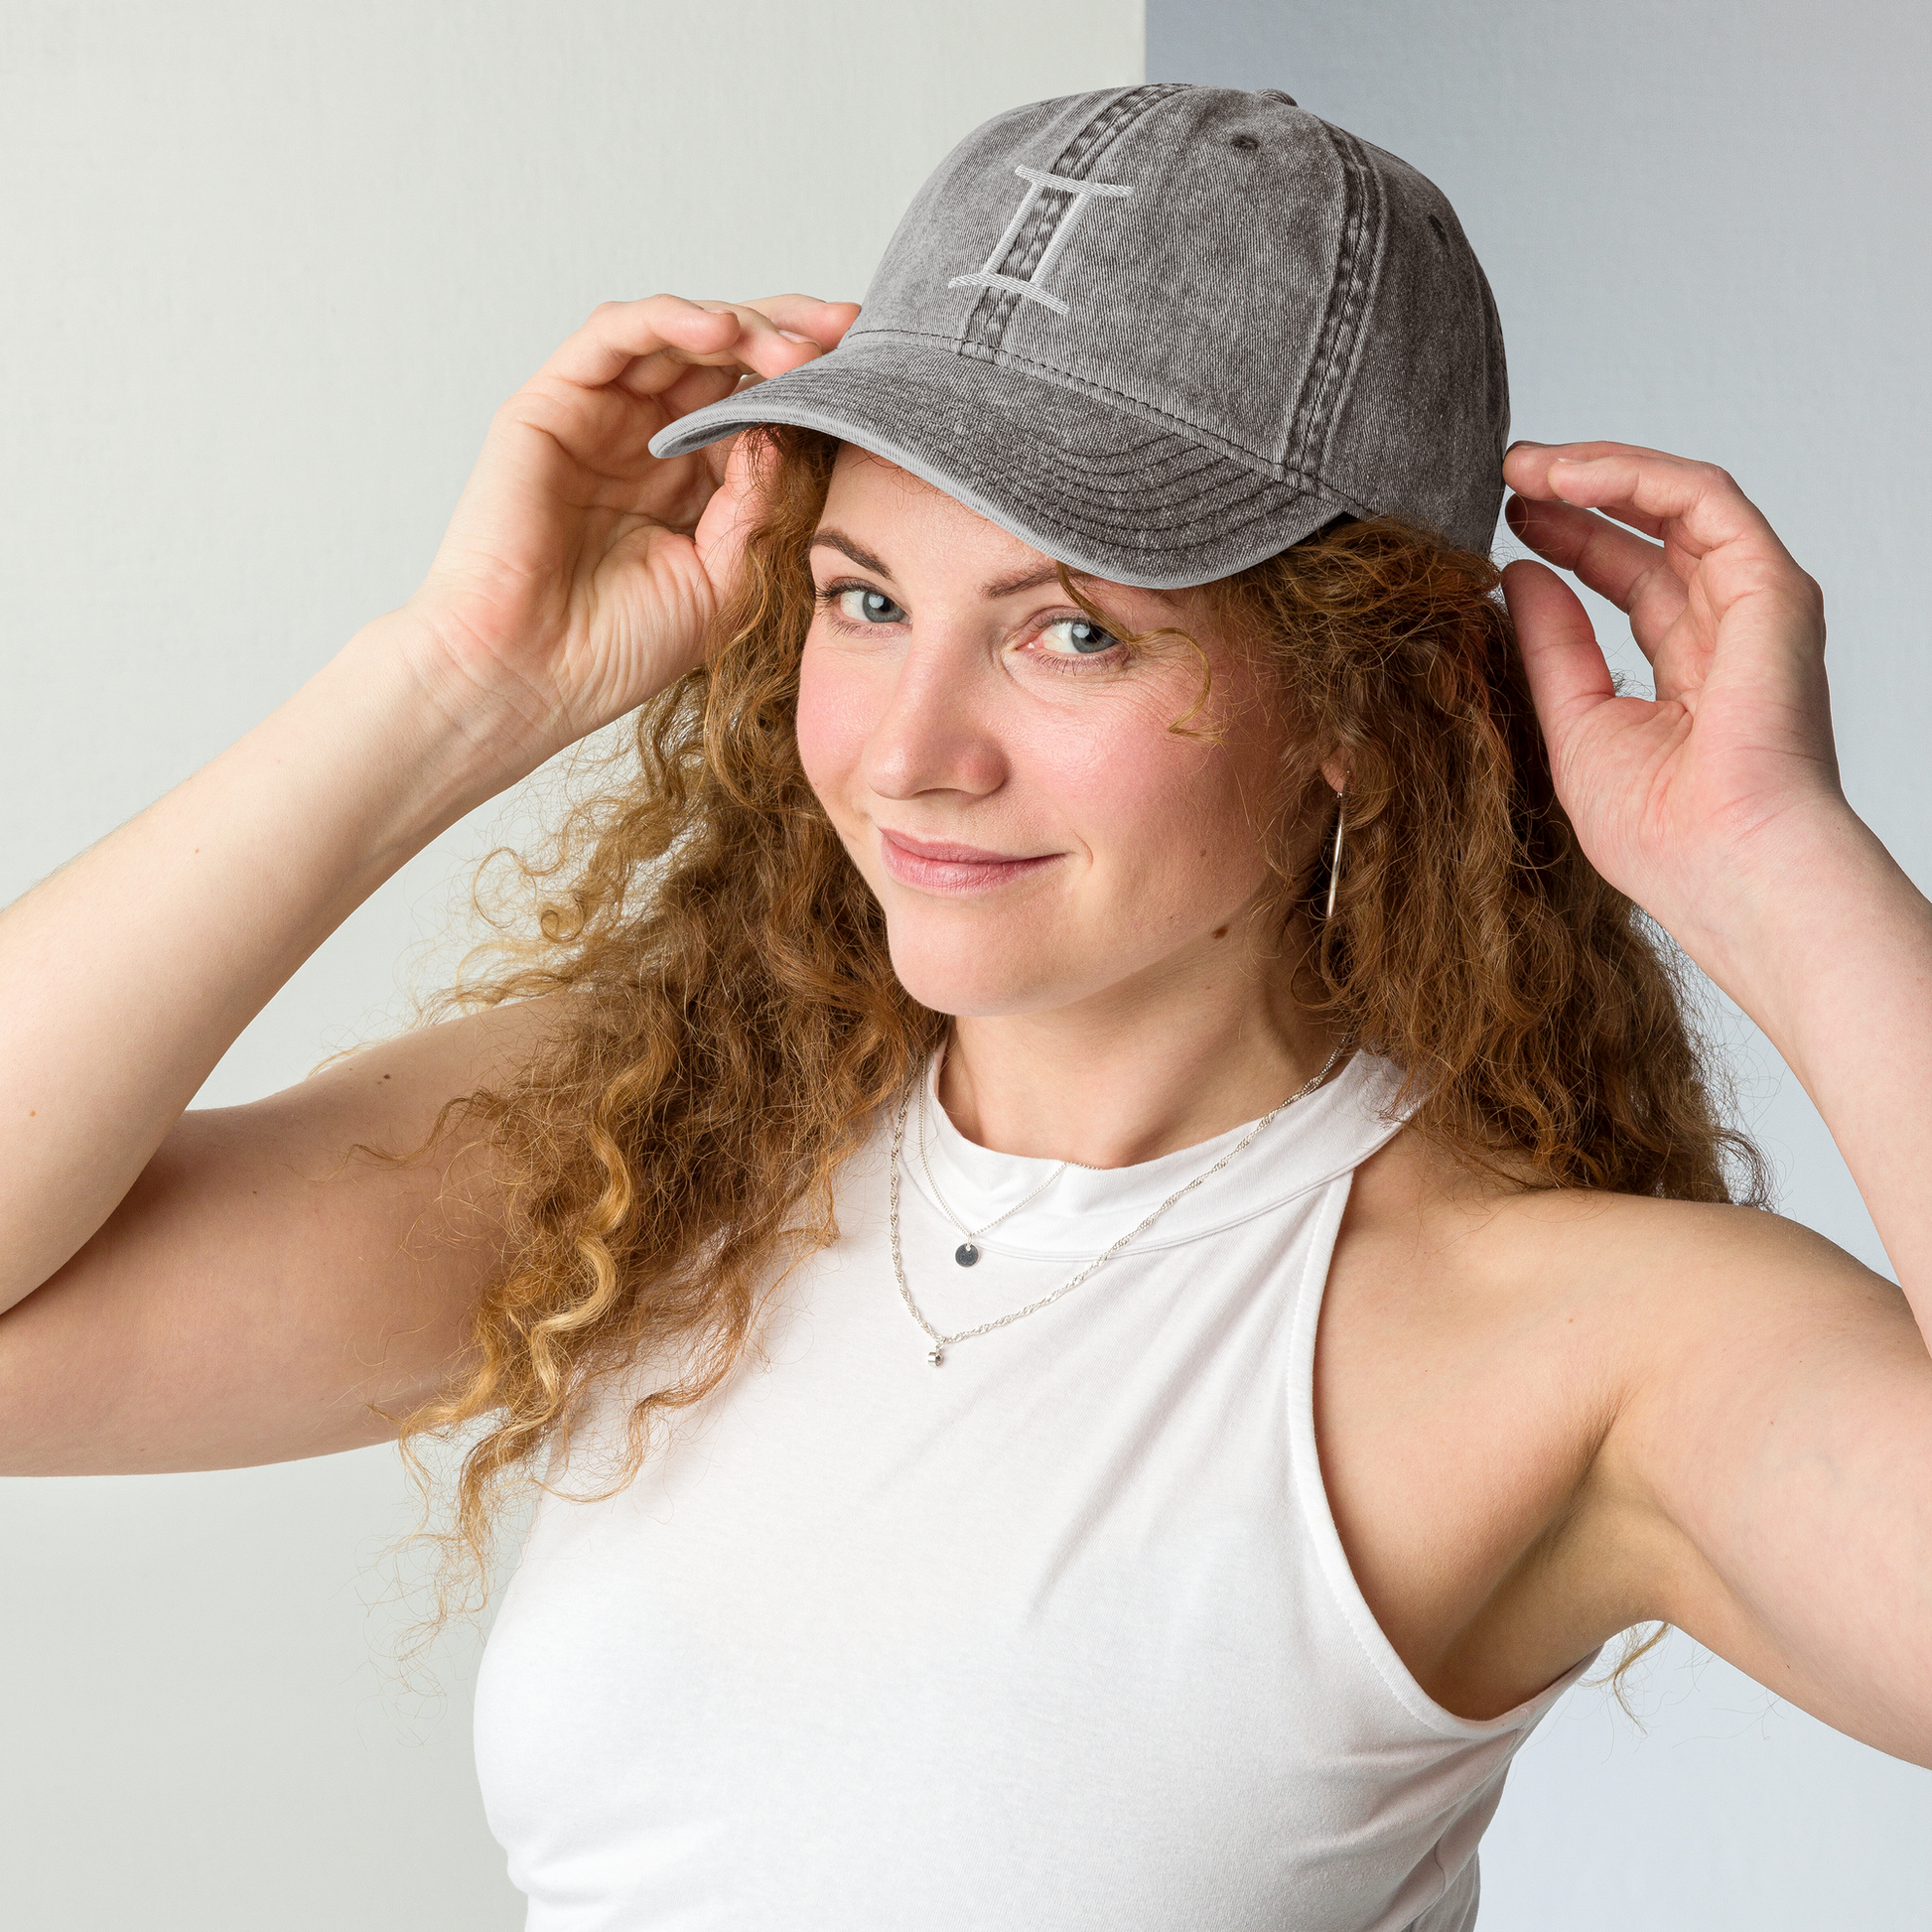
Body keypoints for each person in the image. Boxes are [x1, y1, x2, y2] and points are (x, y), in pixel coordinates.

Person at [1, 79, 1926, 1931]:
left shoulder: (1563, 1343)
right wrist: (447, 684)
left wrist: (1772, 863)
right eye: (861, 600)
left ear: (1357, 702)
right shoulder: (657, 1148)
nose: (913, 752)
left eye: (1067, 628)